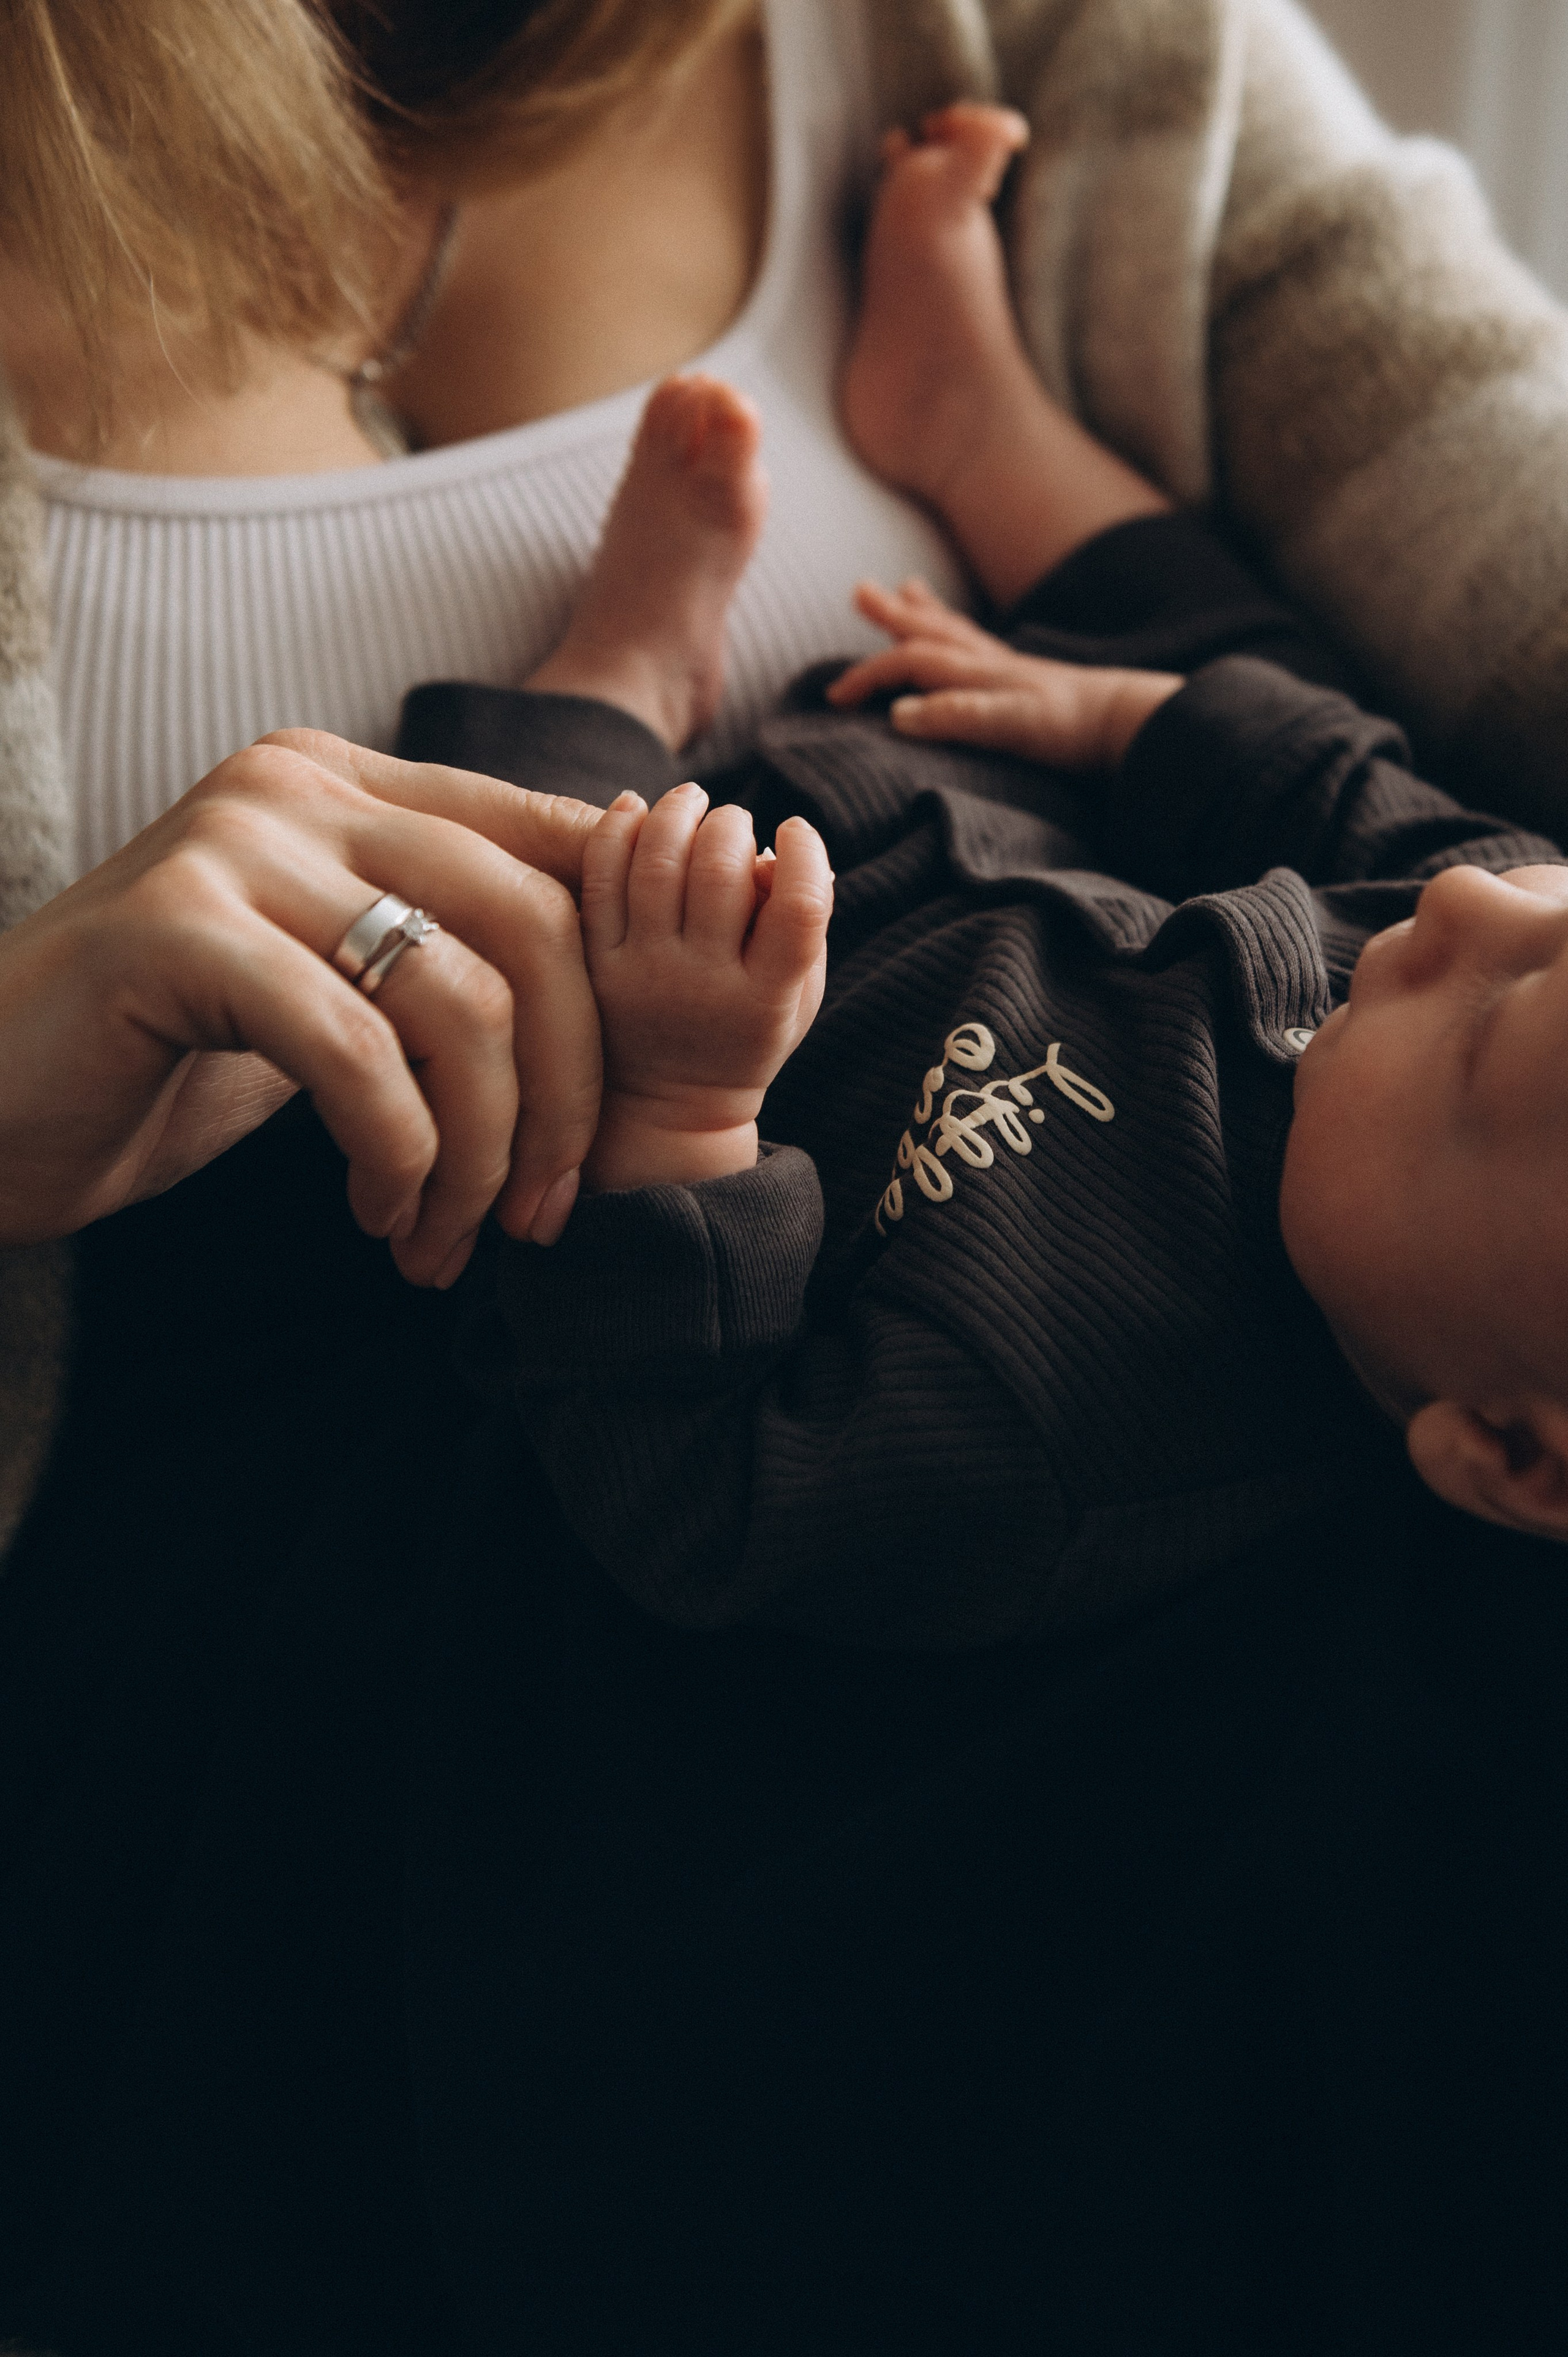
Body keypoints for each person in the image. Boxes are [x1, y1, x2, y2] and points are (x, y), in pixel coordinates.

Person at [1, 2, 1567, 2348]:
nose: (1470, 910)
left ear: (1505, 1444)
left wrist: (688, 1123)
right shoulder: (1435, 956)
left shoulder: (1045, 1407)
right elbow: (1345, 780)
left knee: (560, 835)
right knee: (1206, 653)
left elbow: (709, 1447)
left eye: (1516, 1014)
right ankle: (978, 440)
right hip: (235, 1606)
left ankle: (622, 674)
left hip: (640, 1046)